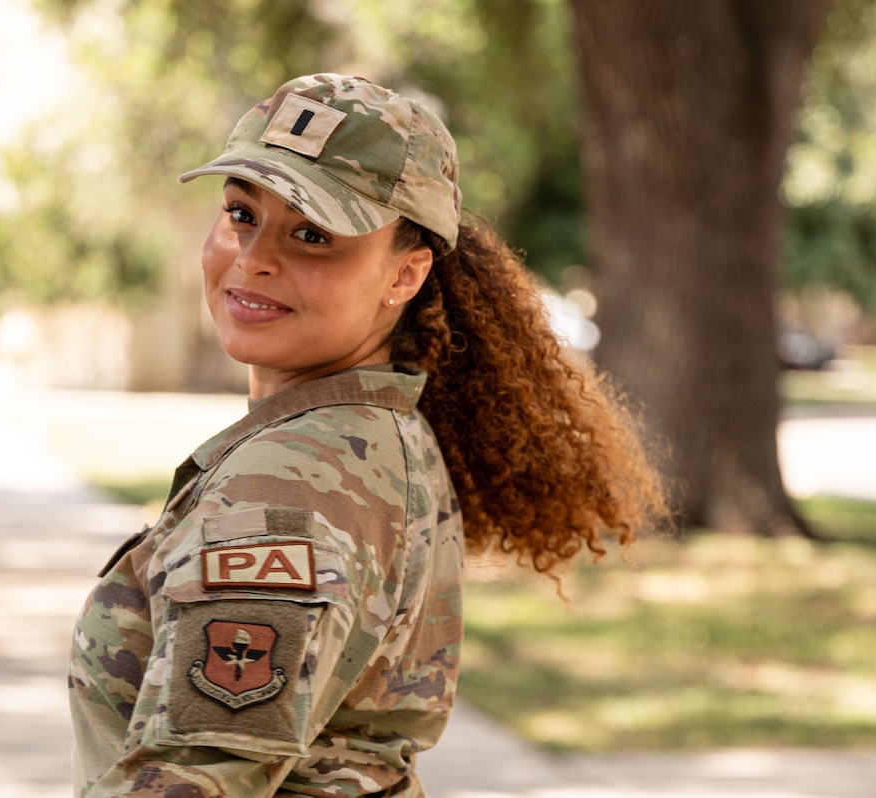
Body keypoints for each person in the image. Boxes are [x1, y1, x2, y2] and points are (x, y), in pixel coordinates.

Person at [69, 72, 667, 798]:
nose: (253, 258)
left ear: (405, 276)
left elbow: (192, 783)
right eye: (240, 213)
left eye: (312, 235)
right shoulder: (379, 433)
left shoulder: (291, 481)